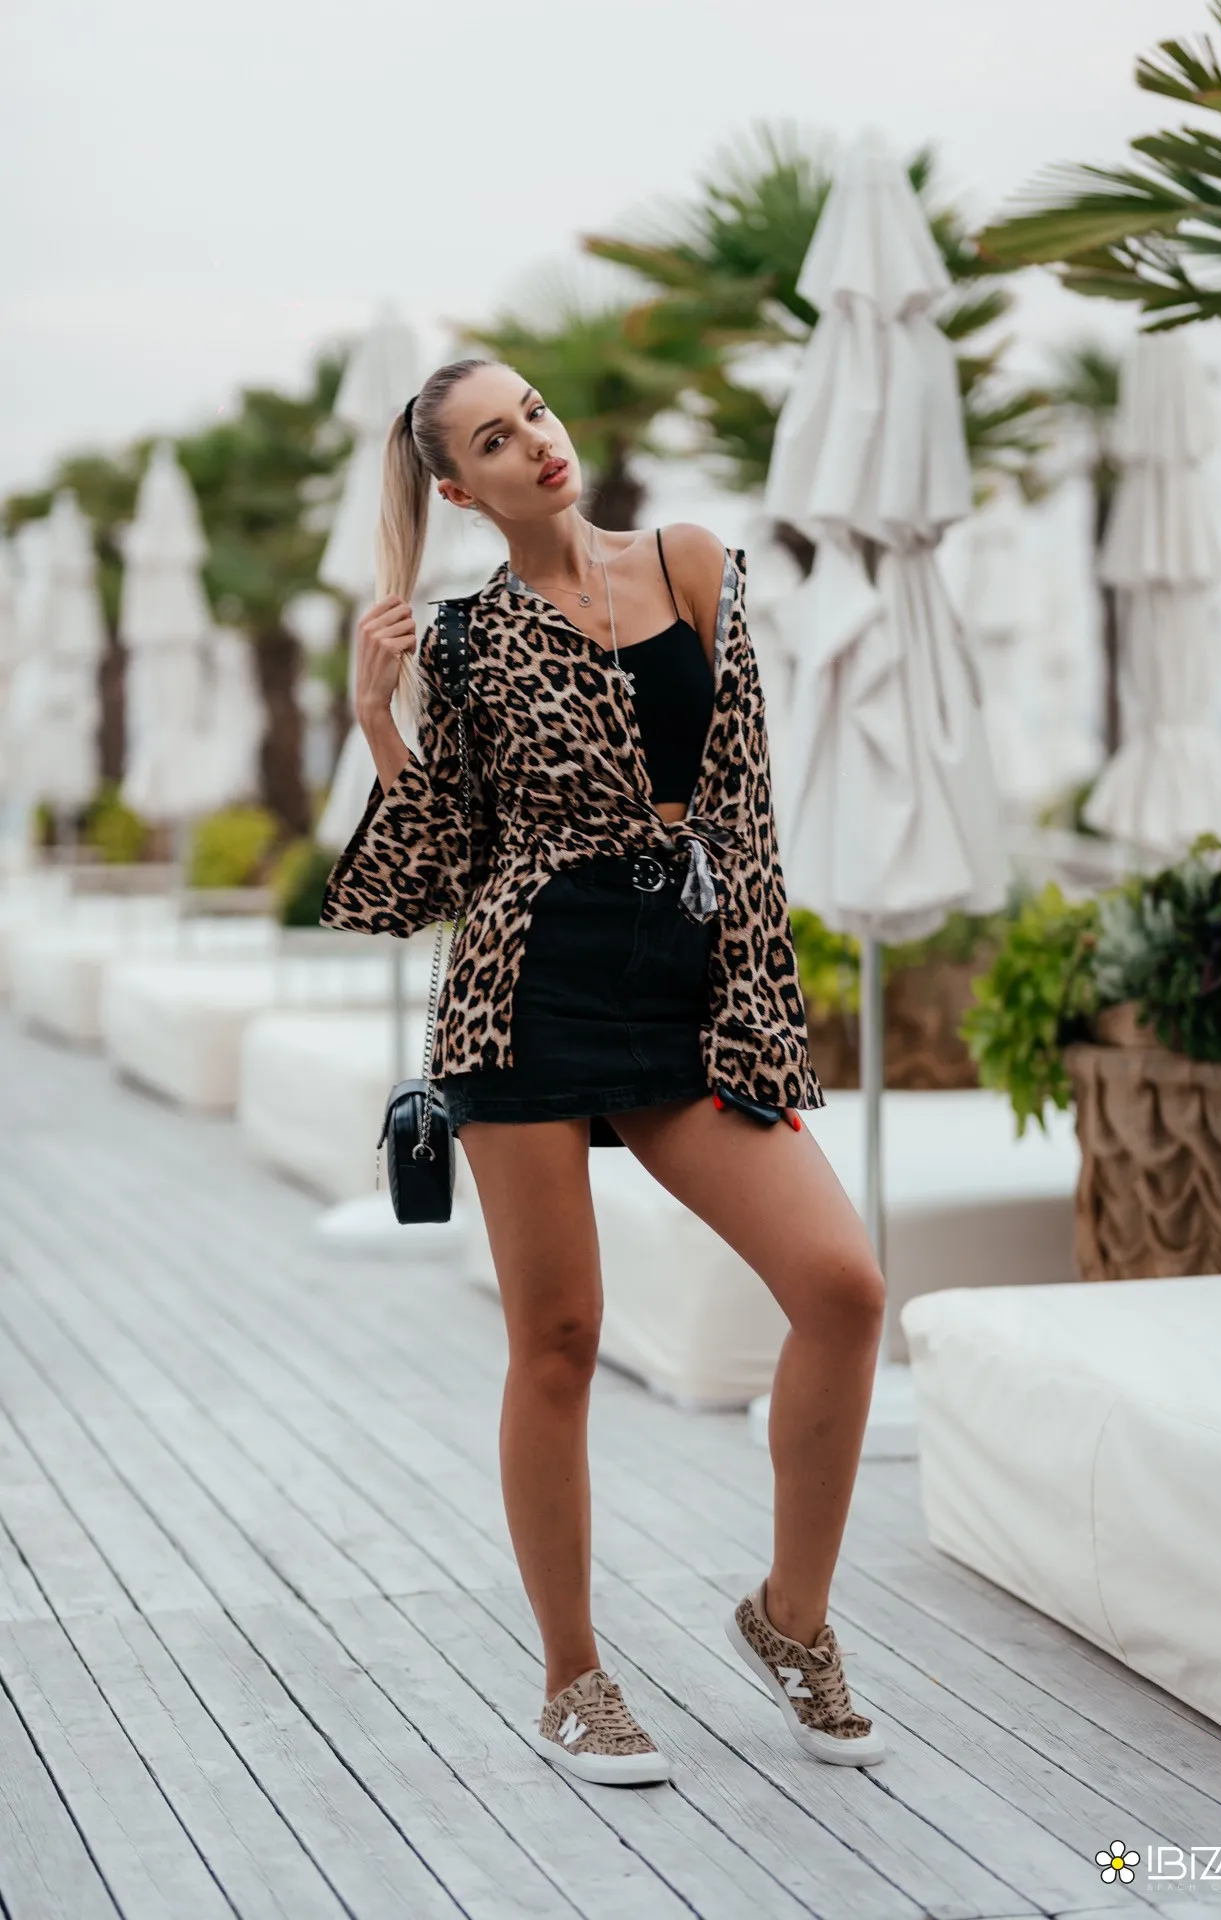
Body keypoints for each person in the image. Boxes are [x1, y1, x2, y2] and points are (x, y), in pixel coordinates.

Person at [320, 358, 887, 1787]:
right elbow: (439, 869)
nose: (535, 444)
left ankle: (791, 1618)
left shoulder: (691, 562)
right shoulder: (463, 639)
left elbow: (744, 809)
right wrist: (379, 721)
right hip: (527, 988)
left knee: (841, 1288)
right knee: (559, 1341)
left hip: (686, 994)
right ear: (461, 492)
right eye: (494, 441)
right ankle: (572, 1677)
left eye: (534, 414)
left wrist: (757, 1004)